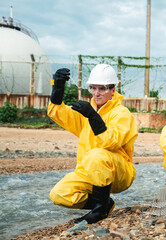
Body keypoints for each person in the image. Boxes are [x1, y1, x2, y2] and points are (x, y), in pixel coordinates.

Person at [47, 64, 138, 224]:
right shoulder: (88, 110)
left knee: (97, 154)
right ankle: (104, 203)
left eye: (102, 89)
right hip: (91, 170)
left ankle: (99, 211)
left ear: (113, 89)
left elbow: (110, 141)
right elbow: (58, 113)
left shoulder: (123, 114)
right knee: (59, 194)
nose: (96, 93)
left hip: (119, 173)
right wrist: (57, 88)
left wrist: (92, 116)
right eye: (93, 88)